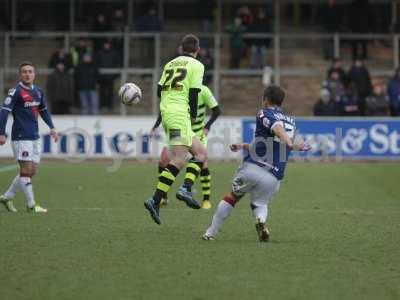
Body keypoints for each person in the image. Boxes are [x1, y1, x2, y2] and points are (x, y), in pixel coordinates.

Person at [202, 85, 310, 242]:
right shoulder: (291, 122)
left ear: (266, 100)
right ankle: (260, 221)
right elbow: (269, 143)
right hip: (273, 177)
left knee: (232, 197)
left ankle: (210, 233)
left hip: (253, 167)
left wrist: (286, 140)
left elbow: (277, 129)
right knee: (260, 203)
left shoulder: (263, 112)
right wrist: (243, 146)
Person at [144, 34, 207, 225]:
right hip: (180, 114)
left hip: (168, 112)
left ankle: (184, 188)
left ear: (181, 49)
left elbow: (158, 91)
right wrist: (193, 116)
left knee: (201, 153)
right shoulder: (197, 65)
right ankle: (156, 199)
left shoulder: (170, 64)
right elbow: (195, 93)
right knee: (179, 159)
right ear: (197, 49)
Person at [0, 62, 59, 213]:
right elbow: (4, 112)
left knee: (32, 171)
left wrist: (52, 127)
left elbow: (44, 110)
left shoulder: (38, 92)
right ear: (20, 75)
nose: (27, 74)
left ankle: (7, 197)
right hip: (21, 137)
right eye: (24, 72)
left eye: (30, 71)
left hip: (35, 136)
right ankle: (31, 205)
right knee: (26, 170)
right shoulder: (15, 92)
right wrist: (1, 132)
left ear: (34, 74)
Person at [151, 84, 221, 209]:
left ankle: (206, 199)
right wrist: (156, 125)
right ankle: (163, 196)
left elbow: (217, 110)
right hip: (180, 130)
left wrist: (207, 126)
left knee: (202, 162)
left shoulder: (204, 90)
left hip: (197, 132)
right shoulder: (179, 90)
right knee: (163, 161)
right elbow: (165, 109)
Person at [95, 40, 121, 112]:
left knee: (110, 92)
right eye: (105, 44)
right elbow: (96, 64)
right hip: (101, 77)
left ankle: (110, 107)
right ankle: (101, 106)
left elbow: (117, 64)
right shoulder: (99, 53)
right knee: (101, 92)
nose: (106, 46)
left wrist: (115, 75)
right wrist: (98, 76)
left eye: (108, 44)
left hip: (111, 77)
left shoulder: (114, 53)